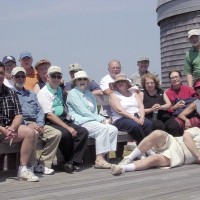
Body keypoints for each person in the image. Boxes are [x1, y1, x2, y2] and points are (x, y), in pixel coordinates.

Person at [37, 65, 89, 173]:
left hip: (63, 118)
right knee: (65, 133)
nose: (56, 79)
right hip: (50, 121)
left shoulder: (60, 90)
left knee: (83, 132)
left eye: (58, 76)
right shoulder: (44, 92)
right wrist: (67, 127)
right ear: (47, 77)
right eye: (53, 76)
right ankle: (66, 161)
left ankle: (73, 161)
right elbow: (49, 115)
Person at [12, 66, 62, 175]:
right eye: (17, 76)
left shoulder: (32, 94)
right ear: (13, 78)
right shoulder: (11, 94)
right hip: (23, 124)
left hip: (37, 122)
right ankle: (32, 165)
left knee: (56, 134)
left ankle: (43, 163)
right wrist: (28, 125)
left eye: (22, 76)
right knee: (32, 133)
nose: (20, 78)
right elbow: (14, 115)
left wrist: (40, 124)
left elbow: (40, 110)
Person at [67, 71, 118, 169]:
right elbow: (83, 111)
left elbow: (94, 112)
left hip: (93, 121)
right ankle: (99, 160)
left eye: (84, 79)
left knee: (113, 129)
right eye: (79, 79)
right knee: (102, 129)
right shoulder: (73, 93)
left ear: (87, 82)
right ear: (75, 82)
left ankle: (101, 157)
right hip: (80, 122)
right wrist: (101, 119)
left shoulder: (89, 94)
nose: (82, 81)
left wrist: (102, 119)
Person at [0, 62, 39, 182]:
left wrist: (12, 128)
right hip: (1, 129)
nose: (0, 76)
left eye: (1, 73)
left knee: (29, 132)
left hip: (9, 128)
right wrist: (2, 129)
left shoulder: (11, 92)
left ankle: (23, 169)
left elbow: (18, 114)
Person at [111, 127, 200, 175]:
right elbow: (186, 137)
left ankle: (122, 168)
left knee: (155, 159)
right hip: (174, 141)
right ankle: (129, 158)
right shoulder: (197, 130)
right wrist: (198, 155)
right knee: (158, 133)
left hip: (181, 155)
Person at [109, 73, 153, 145]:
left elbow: (141, 106)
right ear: (115, 84)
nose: (120, 83)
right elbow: (119, 110)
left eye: (122, 81)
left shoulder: (133, 93)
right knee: (135, 126)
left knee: (148, 124)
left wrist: (142, 117)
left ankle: (147, 147)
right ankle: (144, 149)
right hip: (121, 119)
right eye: (118, 82)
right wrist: (134, 119)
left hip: (136, 116)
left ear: (126, 83)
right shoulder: (113, 95)